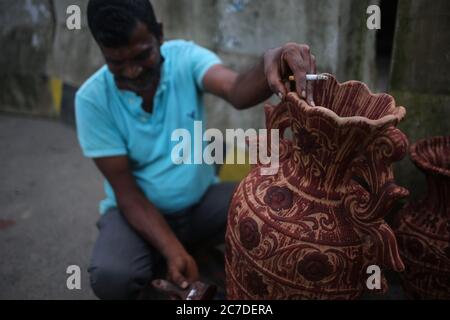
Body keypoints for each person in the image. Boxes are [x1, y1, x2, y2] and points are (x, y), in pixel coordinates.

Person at [75, 0, 317, 299]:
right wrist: (173, 250)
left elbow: (237, 89)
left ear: (159, 35)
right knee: (113, 277)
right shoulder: (92, 100)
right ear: (102, 52)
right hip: (136, 215)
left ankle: (176, 264)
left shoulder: (185, 58)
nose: (133, 71)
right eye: (116, 63)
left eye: (142, 55)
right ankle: (173, 263)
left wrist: (273, 59)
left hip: (201, 204)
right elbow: (127, 194)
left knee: (279, 210)